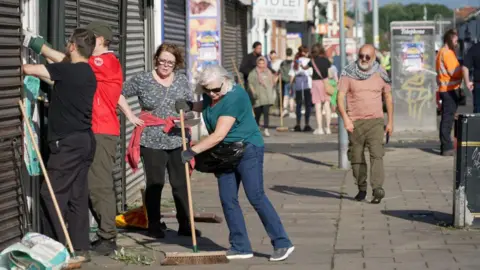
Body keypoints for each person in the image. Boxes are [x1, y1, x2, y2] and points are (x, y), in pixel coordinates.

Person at [23, 21, 142, 255]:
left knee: (97, 187)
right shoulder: (94, 68)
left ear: (99, 41)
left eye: (90, 36)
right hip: (90, 131)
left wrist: (38, 45)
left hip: (97, 130)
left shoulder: (104, 61)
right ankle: (80, 245)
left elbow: (67, 63)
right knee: (79, 192)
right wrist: (129, 113)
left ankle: (105, 236)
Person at [174, 65, 295, 262]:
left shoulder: (235, 97)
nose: (212, 94)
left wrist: (192, 151)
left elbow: (219, 134)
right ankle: (240, 246)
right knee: (227, 198)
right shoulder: (211, 93)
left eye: (216, 89)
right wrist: (189, 105)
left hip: (248, 149)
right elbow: (206, 104)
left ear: (226, 82)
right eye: (207, 90)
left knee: (255, 195)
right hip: (225, 153)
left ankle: (282, 243)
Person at [22, 28, 97, 261]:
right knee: (77, 195)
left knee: (50, 194)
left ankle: (55, 246)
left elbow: (27, 69)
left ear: (73, 46)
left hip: (67, 145)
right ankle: (80, 247)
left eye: (68, 43)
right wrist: (41, 47)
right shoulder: (86, 72)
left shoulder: (66, 70)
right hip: (85, 141)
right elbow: (61, 64)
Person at [122, 43, 200, 238]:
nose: (166, 65)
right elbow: (117, 92)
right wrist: (131, 116)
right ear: (156, 59)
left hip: (177, 137)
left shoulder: (181, 81)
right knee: (155, 182)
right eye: (163, 61)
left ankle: (185, 225)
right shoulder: (143, 79)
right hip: (151, 139)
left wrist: (190, 116)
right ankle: (154, 225)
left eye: (171, 63)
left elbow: (190, 106)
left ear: (176, 64)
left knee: (181, 183)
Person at [337, 44, 393, 204]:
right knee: (356, 157)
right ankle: (361, 188)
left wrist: (390, 121)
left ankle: (377, 189)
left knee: (377, 155)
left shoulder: (381, 73)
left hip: (376, 121)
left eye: (367, 57)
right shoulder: (348, 73)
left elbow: (388, 97)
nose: (363, 59)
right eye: (361, 55)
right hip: (355, 122)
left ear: (374, 57)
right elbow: (340, 98)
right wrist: (346, 119)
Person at [436, 29, 463, 156]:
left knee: (447, 118)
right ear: (449, 39)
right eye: (455, 40)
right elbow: (454, 72)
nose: (457, 43)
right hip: (450, 91)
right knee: (448, 119)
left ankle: (445, 146)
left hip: (445, 89)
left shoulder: (441, 52)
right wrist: (464, 70)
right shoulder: (448, 54)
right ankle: (447, 147)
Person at [248, 56, 277, 137]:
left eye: (263, 63)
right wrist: (253, 92)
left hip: (267, 96)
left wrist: (276, 78)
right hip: (258, 96)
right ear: (257, 63)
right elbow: (250, 83)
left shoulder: (268, 72)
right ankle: (256, 128)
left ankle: (266, 129)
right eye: (260, 63)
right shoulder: (253, 73)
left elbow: (272, 82)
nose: (261, 65)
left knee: (266, 113)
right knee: (257, 114)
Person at [308, 44, 332, 135]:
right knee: (327, 106)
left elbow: (306, 67)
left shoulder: (312, 61)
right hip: (326, 83)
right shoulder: (326, 61)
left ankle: (320, 128)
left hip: (316, 83)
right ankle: (328, 128)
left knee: (318, 107)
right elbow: (329, 74)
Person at [290, 45, 313, 132]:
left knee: (298, 105)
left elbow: (292, 75)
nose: (307, 53)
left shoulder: (295, 62)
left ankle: (298, 124)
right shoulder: (309, 61)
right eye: (306, 52)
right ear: (304, 52)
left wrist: (291, 86)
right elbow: (311, 74)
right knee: (307, 105)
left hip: (298, 86)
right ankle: (307, 124)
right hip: (308, 85)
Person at [462, 39, 478, 112]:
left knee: (478, 111)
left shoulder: (474, 48)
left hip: (478, 85)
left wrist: (467, 82)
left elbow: (465, 67)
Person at [279, 48, 295, 118]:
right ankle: (291, 111)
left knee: (286, 95)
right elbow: (295, 72)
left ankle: (285, 109)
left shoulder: (282, 63)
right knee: (292, 96)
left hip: (285, 82)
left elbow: (281, 73)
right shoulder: (294, 63)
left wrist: (285, 79)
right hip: (293, 81)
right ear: (291, 53)